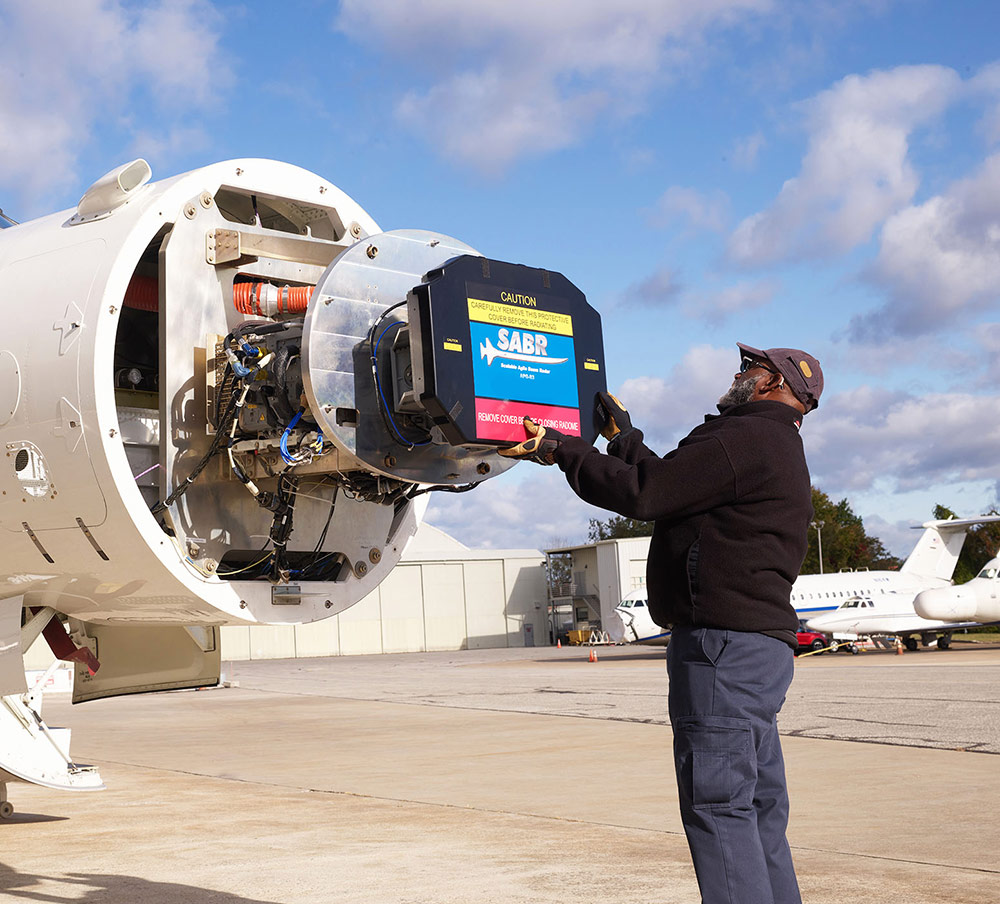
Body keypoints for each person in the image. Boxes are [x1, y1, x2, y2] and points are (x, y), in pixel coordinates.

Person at [500, 343, 823, 904]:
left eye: (752, 367)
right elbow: (676, 484)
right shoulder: (771, 442)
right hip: (759, 651)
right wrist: (622, 438)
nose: (739, 372)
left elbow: (647, 493)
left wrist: (562, 450)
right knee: (757, 809)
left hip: (723, 648)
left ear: (776, 384)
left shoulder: (744, 436)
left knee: (719, 806)